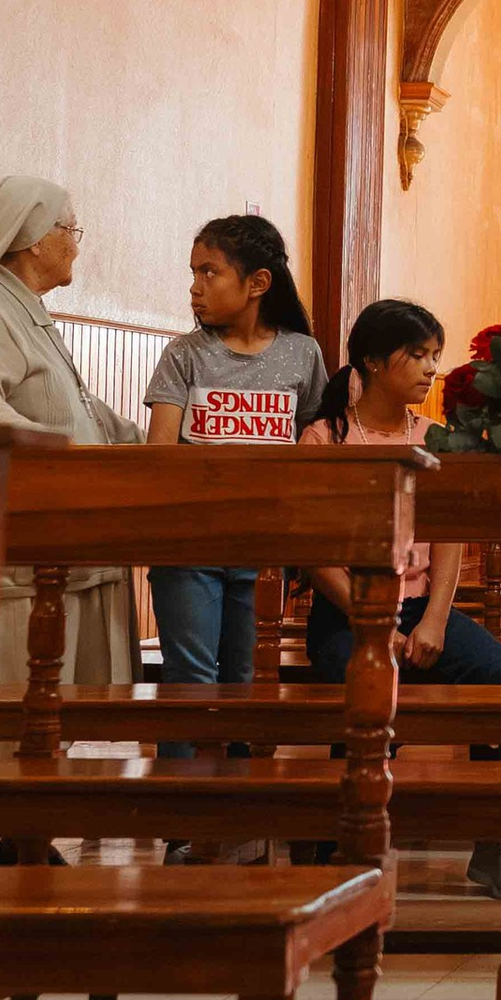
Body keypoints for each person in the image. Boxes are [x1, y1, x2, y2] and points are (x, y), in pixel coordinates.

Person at [301, 298, 501, 892]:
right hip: (345, 609)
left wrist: (433, 624)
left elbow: (449, 540)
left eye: (436, 357)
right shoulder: (324, 438)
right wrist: (373, 622)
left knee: (500, 672)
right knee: (359, 685)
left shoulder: (435, 439)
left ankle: (494, 838)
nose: (432, 369)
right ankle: (346, 841)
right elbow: (314, 552)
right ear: (374, 361)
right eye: (419, 355)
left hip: (422, 606)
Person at [0, 175, 139, 689]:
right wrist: (67, 455)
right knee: (18, 729)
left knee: (71, 730)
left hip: (64, 549)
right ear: (35, 237)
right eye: (71, 229)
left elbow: (74, 406)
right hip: (24, 565)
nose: (75, 246)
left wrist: (151, 441)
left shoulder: (21, 307)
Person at [144, 215, 326, 688]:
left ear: (257, 283)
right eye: (193, 273)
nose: (195, 287)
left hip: (265, 545)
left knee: (249, 674)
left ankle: (242, 764)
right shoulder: (185, 354)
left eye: (209, 272)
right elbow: (159, 455)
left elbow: (314, 450)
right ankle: (180, 765)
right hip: (190, 544)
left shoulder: (302, 354)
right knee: (190, 674)